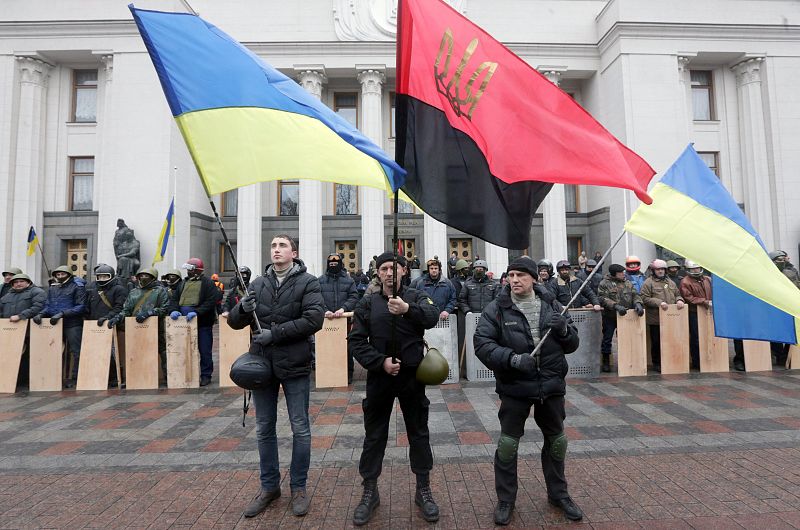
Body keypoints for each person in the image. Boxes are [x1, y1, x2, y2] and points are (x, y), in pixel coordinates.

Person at [474, 257, 582, 525]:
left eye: (521, 275)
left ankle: (559, 494)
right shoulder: (497, 308)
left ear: (534, 278)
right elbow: (482, 344)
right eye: (511, 275)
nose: (514, 280)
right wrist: (512, 359)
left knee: (557, 442)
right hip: (515, 387)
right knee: (508, 445)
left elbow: (572, 343)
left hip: (551, 386)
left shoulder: (553, 305)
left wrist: (565, 329)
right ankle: (506, 500)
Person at [228, 234, 324, 519]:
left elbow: (314, 320)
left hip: (295, 364)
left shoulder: (309, 282)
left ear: (293, 252)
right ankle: (269, 487)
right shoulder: (257, 283)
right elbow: (235, 322)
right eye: (273, 246)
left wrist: (277, 334)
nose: (277, 250)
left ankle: (299, 488)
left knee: (300, 428)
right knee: (264, 428)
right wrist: (241, 310)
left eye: (282, 245)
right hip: (263, 367)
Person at [348, 252, 440, 525]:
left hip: (413, 377)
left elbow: (432, 316)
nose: (390, 273)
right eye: (384, 268)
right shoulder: (368, 303)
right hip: (380, 378)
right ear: (378, 273)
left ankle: (423, 489)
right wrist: (380, 362)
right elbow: (356, 341)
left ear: (404, 271)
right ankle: (369, 490)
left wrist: (407, 310)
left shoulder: (416, 296)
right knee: (374, 436)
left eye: (395, 268)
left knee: (418, 433)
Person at [108, 267, 171, 379]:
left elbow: (164, 309)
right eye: (141, 275)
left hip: (156, 326)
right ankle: (137, 378)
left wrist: (150, 313)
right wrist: (118, 318)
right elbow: (126, 310)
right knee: (137, 352)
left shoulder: (160, 291)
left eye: (146, 276)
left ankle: (167, 376)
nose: (143, 278)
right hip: (135, 327)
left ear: (153, 278)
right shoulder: (133, 292)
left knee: (163, 351)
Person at [33, 266, 86, 388]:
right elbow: (48, 305)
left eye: (63, 274)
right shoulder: (53, 288)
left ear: (69, 274)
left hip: (72, 323)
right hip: (54, 324)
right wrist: (41, 313)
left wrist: (63, 313)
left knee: (76, 351)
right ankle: (54, 377)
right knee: (52, 350)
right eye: (58, 274)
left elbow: (80, 306)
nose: (60, 276)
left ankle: (76, 378)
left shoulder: (77, 287)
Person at [170, 258, 219, 386]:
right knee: (183, 349)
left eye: (190, 269)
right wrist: (174, 310)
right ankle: (185, 374)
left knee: (205, 350)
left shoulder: (207, 283)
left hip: (202, 323)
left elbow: (211, 300)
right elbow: (175, 299)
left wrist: (197, 312)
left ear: (196, 270)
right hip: (183, 323)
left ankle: (206, 375)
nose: (188, 271)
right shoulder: (182, 283)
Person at [318, 253, 360, 383]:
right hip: (325, 321)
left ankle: (348, 373)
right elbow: (316, 298)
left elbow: (354, 297)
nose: (333, 265)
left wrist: (343, 309)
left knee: (346, 348)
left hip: (344, 320)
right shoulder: (320, 280)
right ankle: (328, 373)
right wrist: (326, 311)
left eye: (336, 263)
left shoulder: (349, 280)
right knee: (326, 348)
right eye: (331, 263)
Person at [85, 264, 128, 387]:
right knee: (97, 352)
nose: (102, 279)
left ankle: (115, 377)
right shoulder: (93, 289)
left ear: (111, 276)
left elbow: (119, 307)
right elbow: (89, 305)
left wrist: (108, 317)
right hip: (95, 325)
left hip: (111, 324)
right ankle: (101, 376)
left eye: (105, 276)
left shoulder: (119, 289)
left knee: (113, 353)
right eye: (100, 276)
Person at [598, 264, 644, 373]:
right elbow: (602, 298)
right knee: (607, 339)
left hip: (626, 316)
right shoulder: (604, 283)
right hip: (610, 316)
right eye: (620, 273)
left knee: (626, 339)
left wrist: (638, 303)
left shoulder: (627, 282)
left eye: (623, 272)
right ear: (614, 274)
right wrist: (615, 306)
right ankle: (606, 361)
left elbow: (635, 294)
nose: (623, 274)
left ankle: (627, 361)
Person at [640, 259, 685, 371]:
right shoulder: (648, 282)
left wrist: (679, 300)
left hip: (670, 318)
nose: (660, 271)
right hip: (655, 318)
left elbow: (677, 294)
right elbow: (644, 298)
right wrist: (659, 302)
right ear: (653, 270)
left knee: (670, 340)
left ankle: (669, 361)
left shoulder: (670, 282)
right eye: (658, 269)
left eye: (662, 269)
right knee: (656, 342)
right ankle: (657, 363)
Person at [679, 260, 712, 370]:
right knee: (696, 338)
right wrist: (704, 301)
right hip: (694, 313)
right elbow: (688, 297)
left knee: (709, 335)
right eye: (693, 269)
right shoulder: (685, 282)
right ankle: (697, 362)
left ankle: (709, 360)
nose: (696, 270)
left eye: (697, 268)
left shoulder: (707, 279)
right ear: (688, 270)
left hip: (708, 312)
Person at [768, 250, 799, 365]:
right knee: (775, 331)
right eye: (778, 260)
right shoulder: (767, 272)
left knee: (790, 331)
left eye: (783, 259)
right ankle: (779, 354)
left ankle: (786, 355)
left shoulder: (790, 272)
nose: (782, 262)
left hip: (789, 305)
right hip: (774, 306)